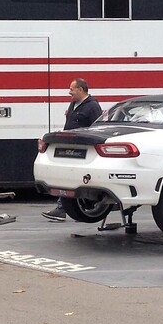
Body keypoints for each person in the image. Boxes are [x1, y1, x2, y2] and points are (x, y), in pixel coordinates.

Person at [42, 78, 102, 222]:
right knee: (67, 178)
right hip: (70, 147)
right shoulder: (74, 104)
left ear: (80, 89)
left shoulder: (92, 106)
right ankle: (64, 208)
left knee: (75, 179)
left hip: (82, 149)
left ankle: (69, 208)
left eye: (72, 89)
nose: (69, 92)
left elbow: (96, 129)